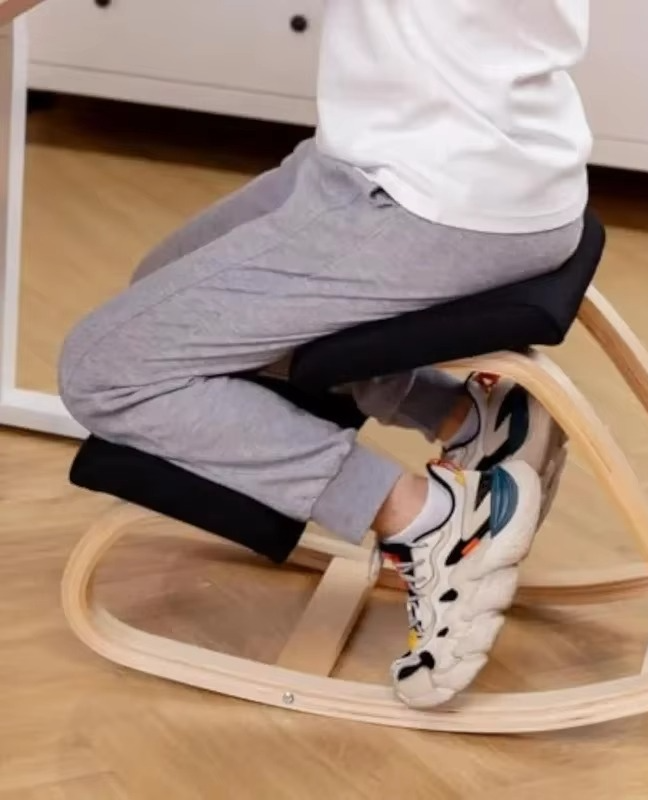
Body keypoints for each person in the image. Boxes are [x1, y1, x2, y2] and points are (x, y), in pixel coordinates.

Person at [58, 1, 592, 709]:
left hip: (427, 198)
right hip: (487, 162)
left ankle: (431, 522)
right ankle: (469, 416)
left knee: (106, 370)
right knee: (166, 292)